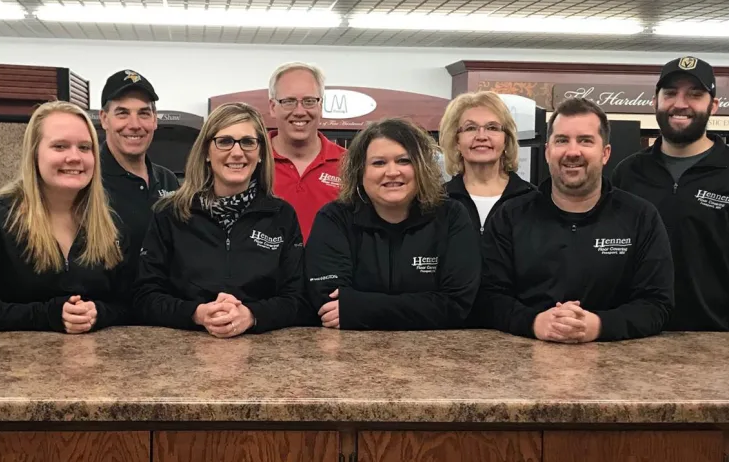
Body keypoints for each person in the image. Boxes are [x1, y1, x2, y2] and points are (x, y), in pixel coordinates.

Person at [478, 98, 674, 342]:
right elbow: (488, 297)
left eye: (585, 140)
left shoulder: (641, 217)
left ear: (605, 153)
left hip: (619, 365)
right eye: (562, 140)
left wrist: (598, 325)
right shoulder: (509, 216)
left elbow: (657, 304)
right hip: (523, 359)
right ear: (548, 152)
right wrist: (534, 322)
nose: (572, 152)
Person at [612, 56, 729, 337]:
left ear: (713, 105)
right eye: (670, 94)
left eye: (695, 94)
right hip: (635, 335)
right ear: (655, 101)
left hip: (716, 340)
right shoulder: (628, 173)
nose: (680, 104)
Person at [0, 101, 128, 333]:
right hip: (9, 364)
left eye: (84, 147)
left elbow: (128, 303)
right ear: (34, 153)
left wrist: (98, 313)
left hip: (92, 364)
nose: (75, 157)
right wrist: (49, 315)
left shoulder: (109, 224)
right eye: (60, 146)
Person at [134, 102, 307, 337]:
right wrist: (197, 313)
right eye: (224, 141)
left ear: (261, 154)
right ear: (206, 152)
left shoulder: (282, 215)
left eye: (248, 142)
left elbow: (296, 298)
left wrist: (252, 315)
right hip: (182, 354)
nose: (237, 152)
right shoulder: (170, 213)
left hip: (265, 357)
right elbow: (145, 297)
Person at [305, 118, 481, 330]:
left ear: (422, 167)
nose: (392, 172)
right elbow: (328, 305)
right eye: (379, 163)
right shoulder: (334, 218)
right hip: (348, 354)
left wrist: (359, 307)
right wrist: (423, 305)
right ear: (360, 172)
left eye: (404, 161)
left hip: (434, 353)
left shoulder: (451, 216)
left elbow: (457, 306)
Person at [98, 69, 180, 277]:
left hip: (162, 305)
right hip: (106, 307)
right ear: (104, 118)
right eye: (122, 113)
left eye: (144, 113)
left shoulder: (168, 181)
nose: (134, 125)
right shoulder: (88, 181)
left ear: (154, 120)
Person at [268, 62, 345, 242]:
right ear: (273, 107)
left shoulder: (350, 164)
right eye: (289, 102)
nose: (300, 112)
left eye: (309, 101)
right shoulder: (253, 161)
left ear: (321, 105)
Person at [439, 90, 535, 233]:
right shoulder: (438, 201)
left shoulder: (532, 200)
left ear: (506, 139)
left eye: (492, 128)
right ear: (456, 140)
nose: (482, 136)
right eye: (470, 128)